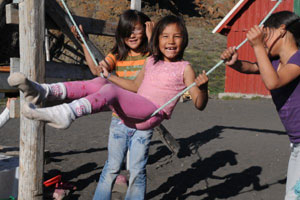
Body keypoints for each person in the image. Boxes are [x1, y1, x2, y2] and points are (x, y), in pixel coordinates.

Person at [8, 15, 209, 199]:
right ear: (158, 39)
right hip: (129, 113)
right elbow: (134, 86)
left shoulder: (185, 68)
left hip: (150, 114)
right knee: (101, 84)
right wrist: (109, 76)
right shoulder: (150, 61)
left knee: (136, 165)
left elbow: (199, 104)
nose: (171, 41)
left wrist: (204, 88)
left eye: (177, 36)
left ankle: (67, 112)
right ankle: (45, 91)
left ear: (185, 40)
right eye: (165, 36)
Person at [72, 9, 156, 198]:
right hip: (119, 120)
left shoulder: (152, 55)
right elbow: (96, 69)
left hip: (144, 122)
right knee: (112, 166)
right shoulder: (118, 54)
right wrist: (83, 41)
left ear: (146, 29)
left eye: (137, 30)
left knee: (137, 169)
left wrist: (153, 37)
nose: (132, 35)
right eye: (127, 30)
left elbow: (158, 62)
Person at [220, 11, 300, 200]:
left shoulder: (298, 59)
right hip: (296, 143)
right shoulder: (273, 63)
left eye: (265, 36)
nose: (262, 41)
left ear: (282, 31)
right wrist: (235, 63)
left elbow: (273, 82)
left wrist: (257, 46)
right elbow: (252, 68)